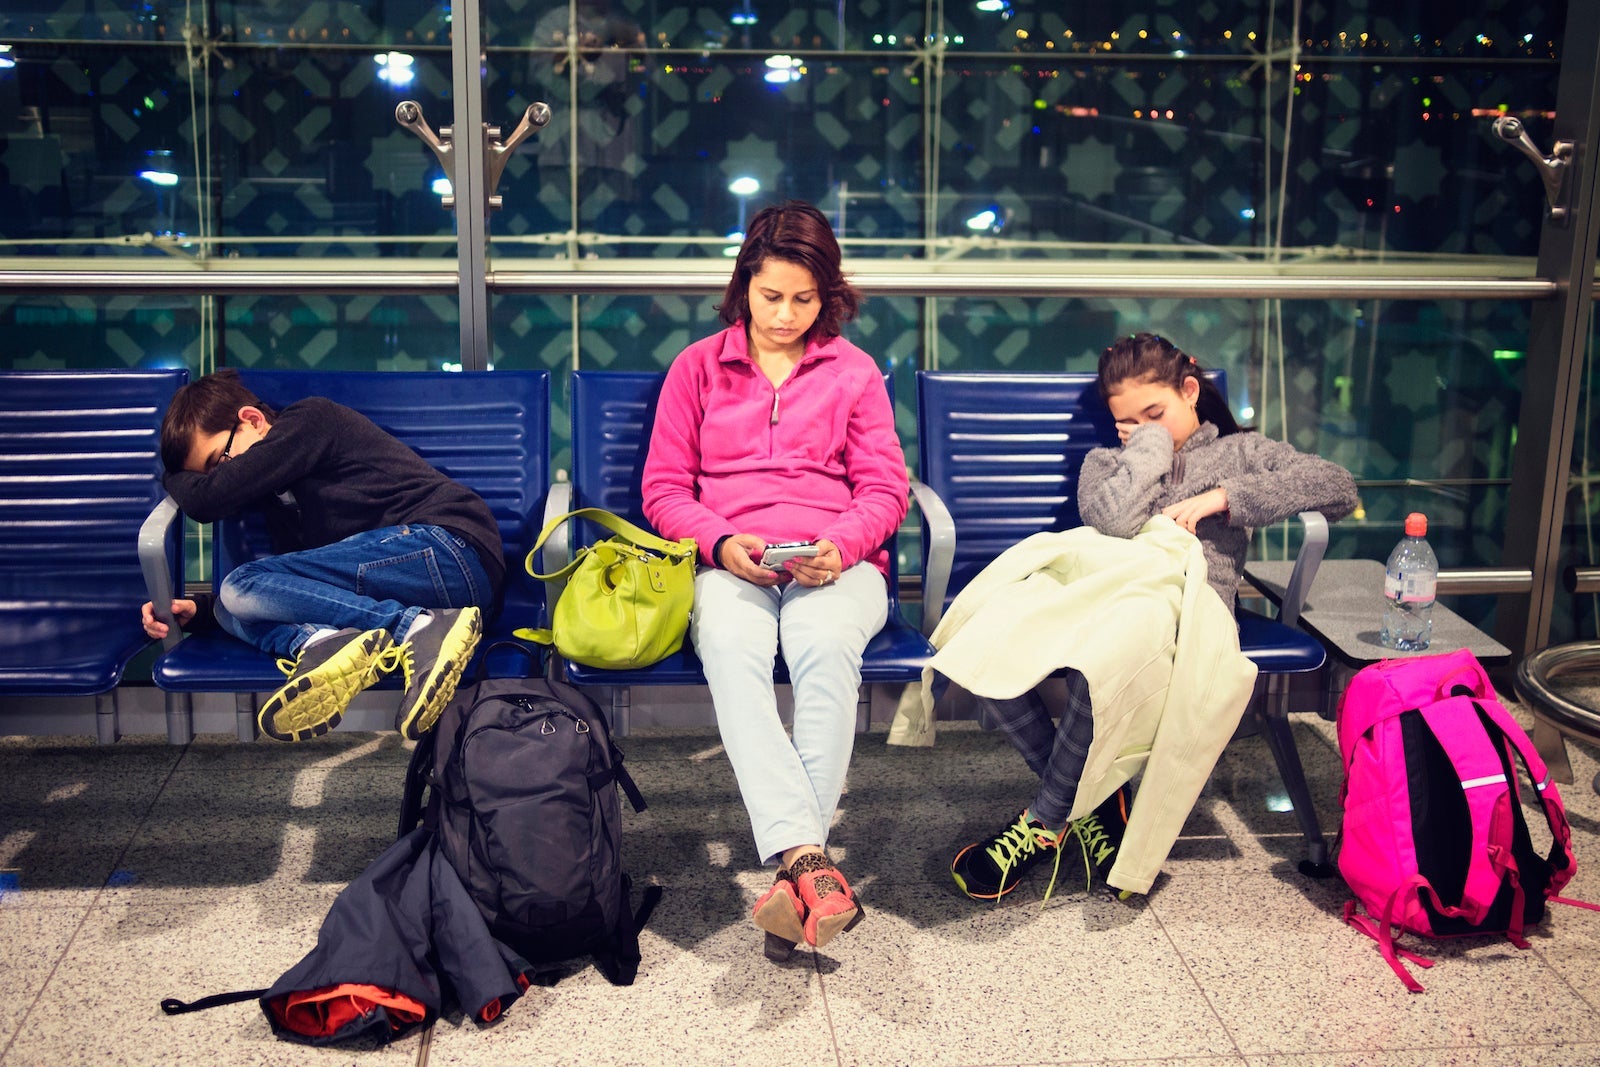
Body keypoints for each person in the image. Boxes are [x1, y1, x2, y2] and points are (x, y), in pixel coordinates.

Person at [948, 331, 1358, 901]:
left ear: (1191, 391)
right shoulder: (1106, 463)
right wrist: (1149, 448)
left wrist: (1227, 499)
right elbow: (1112, 523)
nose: (1145, 428)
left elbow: (1337, 486)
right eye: (1129, 422)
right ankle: (1088, 803)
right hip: (1108, 581)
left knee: (1105, 659)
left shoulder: (1241, 454)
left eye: (1157, 413)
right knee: (984, 637)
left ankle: (1045, 821)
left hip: (1185, 594)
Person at [641, 200, 909, 960]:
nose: (786, 314)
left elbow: (885, 490)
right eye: (771, 296)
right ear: (744, 286)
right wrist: (720, 542)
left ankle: (796, 868)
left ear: (827, 295)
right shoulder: (697, 367)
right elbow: (664, 490)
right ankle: (812, 870)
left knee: (824, 645)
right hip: (734, 559)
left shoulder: (853, 372)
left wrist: (842, 543)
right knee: (730, 642)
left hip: (836, 559)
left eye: (804, 298)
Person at [139, 370, 497, 743]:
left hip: (449, 550)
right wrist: (202, 611)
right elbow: (294, 589)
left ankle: (414, 628)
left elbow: (204, 500)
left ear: (252, 419)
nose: (220, 477)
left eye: (218, 461)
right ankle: (322, 643)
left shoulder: (309, 420)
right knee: (229, 605)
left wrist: (169, 478)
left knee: (240, 582)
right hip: (431, 590)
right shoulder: (279, 495)